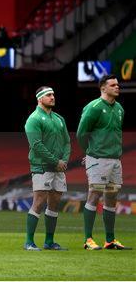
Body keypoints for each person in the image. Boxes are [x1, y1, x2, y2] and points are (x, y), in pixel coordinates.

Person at [77, 74, 131, 250]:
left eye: (118, 85)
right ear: (103, 88)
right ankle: (88, 239)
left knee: (111, 199)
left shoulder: (120, 109)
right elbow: (81, 134)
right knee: (94, 195)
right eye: (113, 85)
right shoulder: (93, 108)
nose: (117, 87)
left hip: (115, 161)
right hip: (98, 159)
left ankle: (110, 240)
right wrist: (90, 153)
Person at [23, 86, 70, 251]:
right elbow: (36, 145)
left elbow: (67, 142)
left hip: (58, 168)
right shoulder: (33, 119)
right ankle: (29, 242)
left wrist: (63, 160)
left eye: (53, 94)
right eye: (49, 95)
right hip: (41, 167)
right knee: (39, 202)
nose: (52, 97)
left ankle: (49, 242)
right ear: (39, 98)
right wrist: (55, 161)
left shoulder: (59, 119)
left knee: (54, 204)